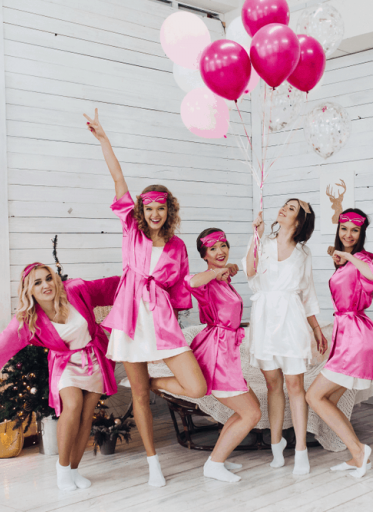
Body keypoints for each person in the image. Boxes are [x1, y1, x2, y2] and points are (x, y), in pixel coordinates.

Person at [84, 108, 207, 487]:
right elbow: (118, 179)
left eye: (161, 208)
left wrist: (216, 274)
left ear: (169, 211)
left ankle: (152, 384)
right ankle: (154, 463)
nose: (155, 213)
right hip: (131, 318)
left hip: (163, 320)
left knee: (197, 386)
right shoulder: (131, 231)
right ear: (142, 210)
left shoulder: (179, 246)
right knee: (137, 393)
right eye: (149, 208)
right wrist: (105, 140)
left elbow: (183, 287)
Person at [0, 264, 120, 491]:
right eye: (37, 283)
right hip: (65, 364)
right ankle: (63, 468)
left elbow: (114, 286)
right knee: (73, 405)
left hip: (94, 358)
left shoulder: (76, 289)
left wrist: (147, 280)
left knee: (87, 416)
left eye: (48, 278)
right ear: (29, 291)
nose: (46, 285)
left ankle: (75, 470)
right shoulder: (27, 321)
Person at [157, 228, 262, 482]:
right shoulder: (206, 279)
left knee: (250, 410)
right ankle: (214, 464)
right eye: (213, 248)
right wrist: (217, 271)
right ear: (204, 255)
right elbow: (190, 282)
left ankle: (218, 458)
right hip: (218, 352)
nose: (220, 251)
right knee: (251, 413)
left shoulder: (223, 279)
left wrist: (227, 271)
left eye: (223, 246)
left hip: (227, 349)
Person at [243, 199, 327, 475]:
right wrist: (255, 234)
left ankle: (301, 449)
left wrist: (316, 329)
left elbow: (308, 294)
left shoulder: (304, 253)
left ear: (300, 220)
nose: (283, 209)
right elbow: (250, 271)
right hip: (265, 320)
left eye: (291, 208)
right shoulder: (263, 242)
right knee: (272, 385)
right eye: (285, 205)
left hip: (291, 321)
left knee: (295, 386)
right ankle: (276, 444)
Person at [306, 209, 373, 478]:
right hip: (348, 335)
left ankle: (359, 451)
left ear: (361, 234)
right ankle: (355, 456)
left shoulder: (361, 258)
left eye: (355, 230)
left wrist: (349, 256)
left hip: (357, 337)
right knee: (327, 398)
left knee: (313, 395)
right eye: (344, 229)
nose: (348, 234)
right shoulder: (345, 262)